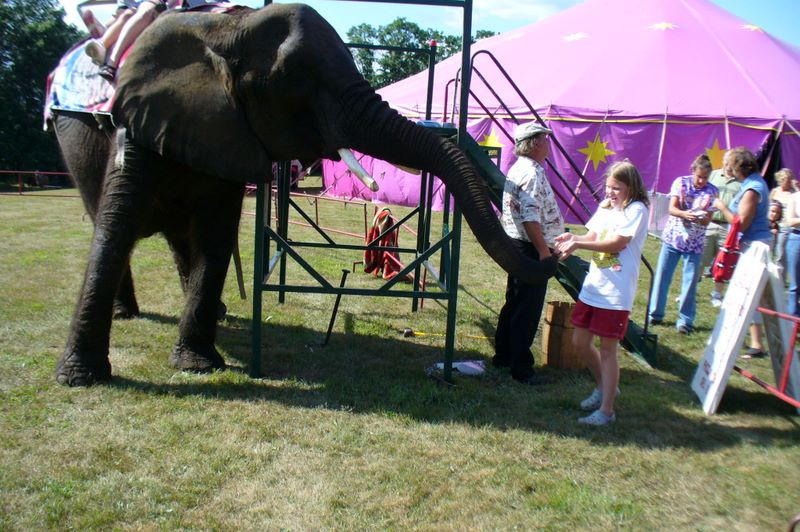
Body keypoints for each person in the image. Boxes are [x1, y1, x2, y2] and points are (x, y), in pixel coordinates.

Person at [554, 161, 649, 425]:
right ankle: (605, 387)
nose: (610, 193)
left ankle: (607, 412)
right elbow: (594, 234)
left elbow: (617, 242)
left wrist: (577, 243)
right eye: (608, 187)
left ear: (631, 187)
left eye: (616, 188)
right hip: (594, 286)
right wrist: (570, 238)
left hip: (616, 292)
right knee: (580, 342)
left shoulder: (637, 210)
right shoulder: (607, 207)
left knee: (608, 350)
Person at [493, 122, 564, 385]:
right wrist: (544, 252)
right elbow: (530, 217)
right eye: (546, 139)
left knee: (514, 301)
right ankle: (521, 368)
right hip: (530, 248)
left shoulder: (518, 168)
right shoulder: (532, 173)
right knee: (527, 308)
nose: (549, 144)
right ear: (534, 143)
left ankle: (503, 355)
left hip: (517, 245)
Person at [712, 147, 773, 358]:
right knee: (753, 297)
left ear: (737, 167)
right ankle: (756, 344)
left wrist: (721, 206)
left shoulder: (752, 189)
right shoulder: (754, 183)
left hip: (753, 247)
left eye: (729, 163)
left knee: (750, 296)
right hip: (753, 244)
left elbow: (741, 223)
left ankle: (756, 343)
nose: (726, 167)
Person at [648, 154, 717, 334]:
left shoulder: (712, 191)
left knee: (690, 282)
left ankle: (685, 321)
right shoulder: (680, 183)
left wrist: (700, 218)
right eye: (699, 176)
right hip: (673, 238)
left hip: (695, 243)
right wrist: (685, 214)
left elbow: (708, 219)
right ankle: (655, 314)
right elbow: (672, 208)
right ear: (692, 171)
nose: (701, 181)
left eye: (705, 178)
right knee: (662, 276)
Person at [94, 0, 171, 82]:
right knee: (125, 15)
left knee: (145, 12)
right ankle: (102, 46)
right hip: (132, 5)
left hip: (151, 3)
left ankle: (110, 61)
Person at [701, 150, 741, 307]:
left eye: (732, 163)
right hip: (709, 223)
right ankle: (690, 291)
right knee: (700, 259)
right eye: (727, 161)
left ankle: (717, 294)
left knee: (723, 263)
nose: (728, 166)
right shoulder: (714, 175)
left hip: (728, 227)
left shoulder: (741, 182)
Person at [83, 0, 141, 66]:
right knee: (122, 16)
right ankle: (104, 36)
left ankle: (103, 41)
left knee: (126, 15)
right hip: (128, 7)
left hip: (136, 7)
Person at [769, 168, 796, 279]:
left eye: (790, 179)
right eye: (786, 179)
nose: (789, 181)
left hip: (785, 227)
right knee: (768, 251)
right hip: (773, 226)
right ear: (781, 179)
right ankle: (768, 277)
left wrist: (796, 188)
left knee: (780, 254)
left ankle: (780, 279)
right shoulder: (775, 191)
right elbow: (769, 207)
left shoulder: (793, 193)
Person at [783, 190, 800, 317]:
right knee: (795, 284)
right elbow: (790, 221)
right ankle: (793, 318)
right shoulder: (794, 197)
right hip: (796, 238)